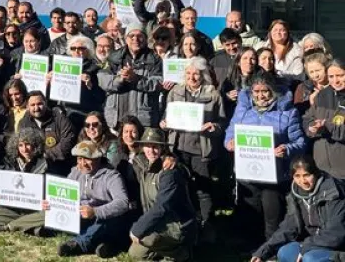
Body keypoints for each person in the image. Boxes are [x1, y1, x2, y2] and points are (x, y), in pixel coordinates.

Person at [225, 77, 305, 241]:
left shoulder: (288, 113)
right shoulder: (243, 113)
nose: (261, 96)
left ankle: (272, 251)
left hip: (274, 176)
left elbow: (300, 142)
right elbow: (230, 133)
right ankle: (250, 249)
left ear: (273, 92)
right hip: (248, 174)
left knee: (272, 218)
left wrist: (287, 149)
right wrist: (229, 143)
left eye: (265, 91)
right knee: (250, 215)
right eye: (256, 92)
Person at [161, 57, 225, 234]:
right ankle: (184, 222)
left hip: (201, 149)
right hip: (178, 147)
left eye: (196, 74)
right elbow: (167, 116)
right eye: (188, 73)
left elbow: (222, 122)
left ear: (203, 75)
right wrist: (164, 123)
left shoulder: (213, 94)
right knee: (180, 185)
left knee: (203, 188)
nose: (192, 77)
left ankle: (207, 224)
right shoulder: (175, 92)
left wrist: (214, 127)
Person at [250, 156, 345, 262]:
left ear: (316, 173)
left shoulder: (334, 192)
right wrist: (263, 252)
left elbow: (337, 232)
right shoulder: (296, 194)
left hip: (337, 246)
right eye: (297, 176)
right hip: (312, 242)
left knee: (310, 259)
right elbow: (288, 227)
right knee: (285, 252)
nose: (302, 181)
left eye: (307, 175)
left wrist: (307, 247)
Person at [128, 128, 198, 262]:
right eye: (148, 146)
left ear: (162, 148)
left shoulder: (170, 171)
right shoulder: (142, 165)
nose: (151, 150)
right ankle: (165, 251)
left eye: (155, 146)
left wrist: (138, 229)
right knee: (135, 253)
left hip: (178, 225)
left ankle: (181, 253)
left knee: (145, 237)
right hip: (159, 221)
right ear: (142, 147)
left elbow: (162, 206)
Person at [52, 141, 131, 257]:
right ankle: (104, 245)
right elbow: (65, 194)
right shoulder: (76, 172)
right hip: (83, 217)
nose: (83, 163)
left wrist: (95, 212)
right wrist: (52, 202)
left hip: (106, 218)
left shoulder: (112, 176)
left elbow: (123, 202)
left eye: (87, 159)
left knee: (101, 224)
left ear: (98, 158)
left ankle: (78, 244)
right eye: (79, 159)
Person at [98, 24, 164, 130]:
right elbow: (102, 80)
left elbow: (159, 83)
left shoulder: (155, 59)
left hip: (143, 121)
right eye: (131, 35)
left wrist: (136, 79)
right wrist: (120, 79)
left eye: (140, 36)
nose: (135, 39)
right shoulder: (114, 57)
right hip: (116, 120)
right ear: (126, 38)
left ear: (146, 39)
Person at [0, 128, 49, 232]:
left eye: (28, 144)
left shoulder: (44, 164)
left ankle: (9, 226)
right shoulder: (9, 163)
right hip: (13, 209)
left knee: (48, 214)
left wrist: (46, 201)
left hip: (33, 210)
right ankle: (28, 225)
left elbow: (48, 192)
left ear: (36, 145)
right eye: (21, 145)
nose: (25, 149)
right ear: (16, 147)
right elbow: (3, 189)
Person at [304, 59, 345, 179]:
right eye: (331, 76)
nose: (335, 80)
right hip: (322, 167)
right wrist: (312, 127)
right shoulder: (322, 95)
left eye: (340, 75)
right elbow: (307, 117)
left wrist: (328, 127)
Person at [18, 91, 75, 175]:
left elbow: (68, 141)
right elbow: (23, 144)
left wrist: (46, 155)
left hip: (59, 166)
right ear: (27, 107)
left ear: (46, 103)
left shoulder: (59, 118)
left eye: (39, 104)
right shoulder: (24, 123)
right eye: (32, 105)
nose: (36, 108)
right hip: (35, 167)